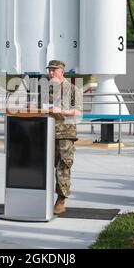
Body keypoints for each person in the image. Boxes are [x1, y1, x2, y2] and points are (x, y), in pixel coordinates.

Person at [46, 60, 83, 214]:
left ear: (61, 71)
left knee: (62, 168)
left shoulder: (73, 89)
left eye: (54, 70)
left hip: (65, 135)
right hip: (47, 133)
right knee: (46, 167)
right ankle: (44, 198)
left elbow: (78, 111)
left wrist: (60, 110)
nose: (50, 73)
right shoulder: (47, 90)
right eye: (49, 70)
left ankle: (61, 200)